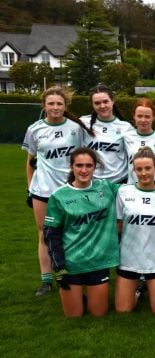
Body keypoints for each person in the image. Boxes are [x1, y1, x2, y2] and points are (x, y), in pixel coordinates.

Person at [22, 86, 91, 296]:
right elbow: (31, 162)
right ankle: (46, 280)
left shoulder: (75, 128)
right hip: (42, 190)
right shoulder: (35, 129)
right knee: (44, 234)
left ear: (65, 106)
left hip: (70, 190)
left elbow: (82, 158)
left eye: (59, 103)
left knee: (74, 234)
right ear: (44, 106)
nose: (55, 107)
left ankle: (76, 275)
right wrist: (29, 188)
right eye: (51, 103)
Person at [43, 147, 120, 317]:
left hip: (98, 263)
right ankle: (77, 296)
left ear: (95, 167)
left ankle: (87, 296)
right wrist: (59, 267)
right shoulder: (59, 196)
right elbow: (50, 235)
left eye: (88, 165)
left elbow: (136, 190)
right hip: (72, 265)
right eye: (79, 165)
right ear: (71, 167)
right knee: (74, 316)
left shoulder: (106, 188)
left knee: (99, 313)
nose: (84, 170)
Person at [115, 147, 155, 314]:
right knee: (123, 310)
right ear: (133, 170)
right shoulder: (123, 192)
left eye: (148, 168)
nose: (143, 173)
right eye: (139, 169)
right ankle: (138, 291)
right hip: (128, 258)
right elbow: (118, 225)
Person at [80, 85, 131, 183]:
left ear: (112, 101)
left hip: (118, 184)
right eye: (97, 103)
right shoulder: (83, 123)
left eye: (105, 101)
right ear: (92, 104)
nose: (102, 106)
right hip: (92, 183)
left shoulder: (126, 127)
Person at [123, 98, 155, 185]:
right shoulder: (126, 137)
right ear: (134, 116)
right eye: (140, 116)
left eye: (147, 116)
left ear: (153, 117)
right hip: (132, 189)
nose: (143, 120)